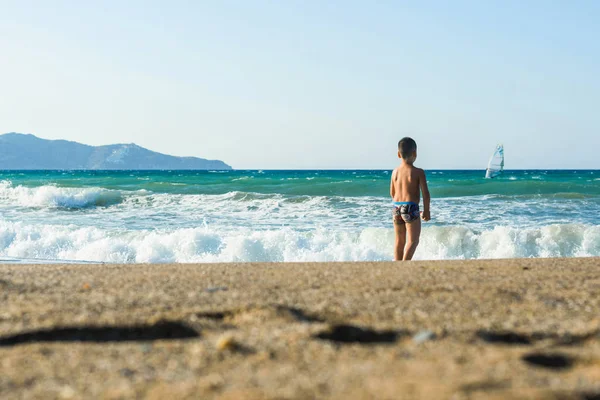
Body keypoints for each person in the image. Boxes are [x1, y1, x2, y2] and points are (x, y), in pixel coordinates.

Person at [390, 137, 431, 261]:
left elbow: (392, 192)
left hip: (396, 207)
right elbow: (425, 194)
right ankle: (405, 264)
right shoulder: (418, 172)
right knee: (413, 240)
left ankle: (397, 266)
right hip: (410, 207)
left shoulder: (394, 172)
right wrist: (426, 211)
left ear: (398, 154)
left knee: (399, 241)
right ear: (415, 153)